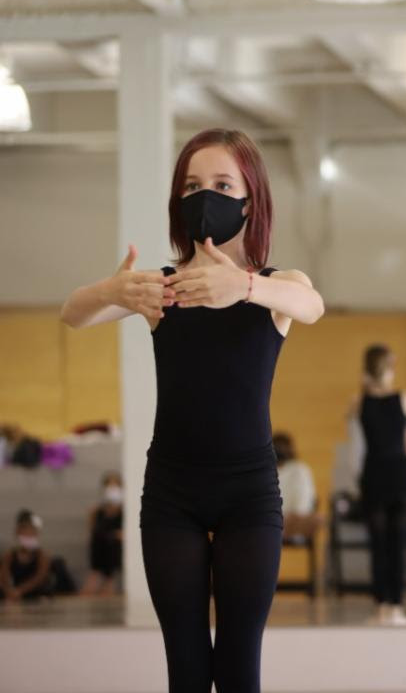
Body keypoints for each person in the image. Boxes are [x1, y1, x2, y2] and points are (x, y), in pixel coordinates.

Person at [60, 128, 325, 693]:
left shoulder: (275, 287)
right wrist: (111, 290)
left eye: (223, 185)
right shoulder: (163, 288)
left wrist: (244, 286)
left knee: (238, 667)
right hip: (172, 494)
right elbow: (72, 314)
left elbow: (312, 305)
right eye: (192, 185)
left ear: (249, 200)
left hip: (249, 495)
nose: (205, 196)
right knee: (185, 668)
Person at [349, 344, 406, 626]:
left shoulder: (358, 401)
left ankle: (381, 607)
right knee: (398, 543)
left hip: (373, 476)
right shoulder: (405, 399)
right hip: (399, 477)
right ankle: (396, 607)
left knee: (378, 544)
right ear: (390, 367)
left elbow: (354, 443)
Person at [80, 472, 124, 597]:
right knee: (101, 539)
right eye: (110, 486)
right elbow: (92, 532)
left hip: (115, 546)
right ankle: (99, 576)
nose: (112, 490)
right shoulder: (97, 511)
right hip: (100, 546)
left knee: (111, 543)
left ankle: (107, 581)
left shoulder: (125, 511)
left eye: (115, 486)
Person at [272, 433, 321, 541]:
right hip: (271, 518)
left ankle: (279, 529)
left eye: (283, 447)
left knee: (318, 519)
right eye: (277, 446)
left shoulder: (300, 469)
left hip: (294, 519)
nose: (280, 450)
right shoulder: (266, 471)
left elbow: (304, 501)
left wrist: (294, 516)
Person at [0, 510, 54, 602]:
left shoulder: (41, 555)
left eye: (31, 533)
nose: (28, 535)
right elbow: (3, 576)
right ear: (17, 533)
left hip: (33, 591)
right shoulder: (9, 555)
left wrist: (20, 590)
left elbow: (40, 577)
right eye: (24, 532)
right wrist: (9, 591)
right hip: (16, 591)